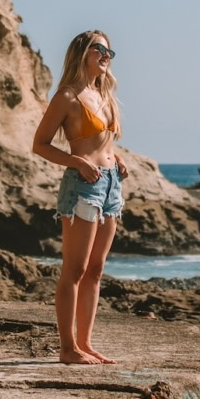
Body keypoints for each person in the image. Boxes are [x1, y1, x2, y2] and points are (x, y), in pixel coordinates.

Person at [32, 30, 128, 365]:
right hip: (82, 186)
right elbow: (40, 144)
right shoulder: (67, 97)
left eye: (109, 51)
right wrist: (76, 161)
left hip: (111, 185)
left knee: (96, 270)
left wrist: (116, 159)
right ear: (81, 52)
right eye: (99, 49)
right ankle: (67, 348)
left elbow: (105, 143)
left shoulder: (105, 95)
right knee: (75, 269)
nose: (106, 55)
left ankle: (85, 344)